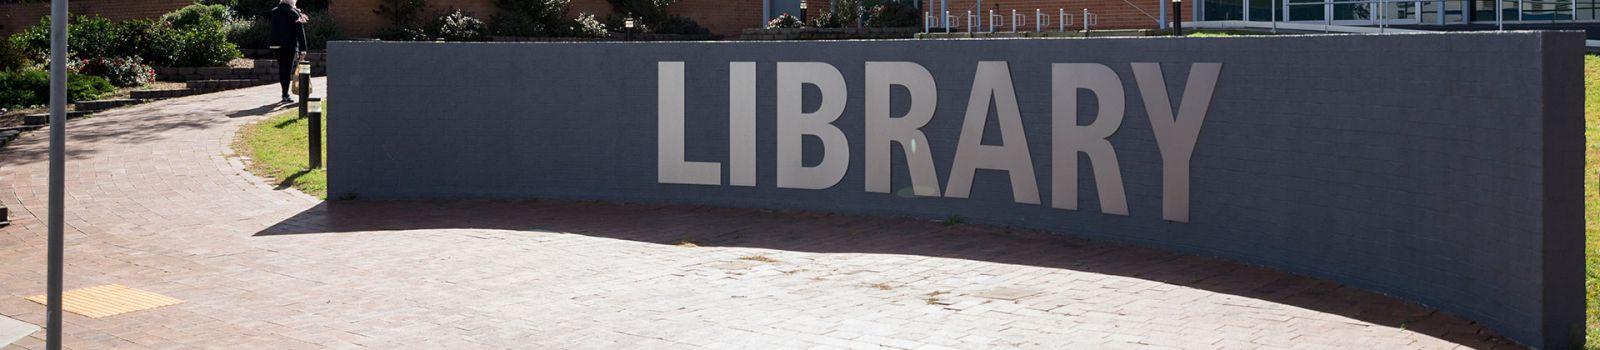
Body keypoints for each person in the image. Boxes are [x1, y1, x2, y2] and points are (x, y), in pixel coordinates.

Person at [269, 0, 309, 103]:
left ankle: (284, 93)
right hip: (288, 45)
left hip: (275, 45)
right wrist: (303, 49)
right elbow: (300, 32)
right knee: (287, 70)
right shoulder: (293, 12)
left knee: (282, 69)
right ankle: (285, 95)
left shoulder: (275, 11)